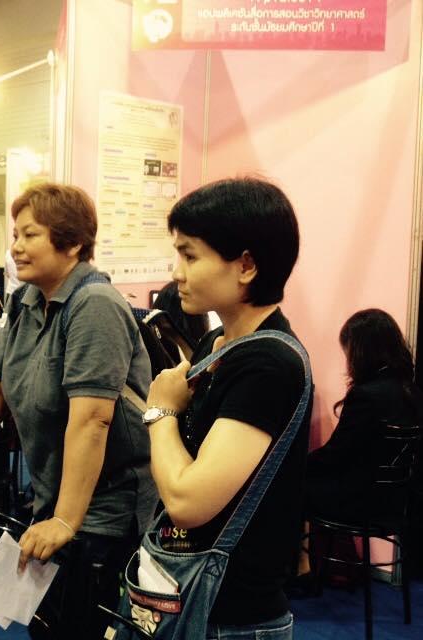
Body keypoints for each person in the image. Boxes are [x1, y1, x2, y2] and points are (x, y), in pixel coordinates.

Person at [0, 183, 158, 638]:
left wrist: (65, 520)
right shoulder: (24, 300)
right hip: (54, 496)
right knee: (47, 626)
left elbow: (93, 420)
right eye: (15, 235)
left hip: (105, 506)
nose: (15, 247)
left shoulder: (95, 305)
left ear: (72, 243)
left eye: (30, 235)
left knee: (77, 627)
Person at [144, 177, 309, 638]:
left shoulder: (268, 364)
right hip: (196, 593)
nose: (177, 272)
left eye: (190, 256)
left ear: (246, 266)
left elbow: (188, 501)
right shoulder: (219, 342)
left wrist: (160, 412)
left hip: (232, 615)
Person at [297, 309, 423, 579]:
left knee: (289, 486)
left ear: (362, 350)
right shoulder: (411, 391)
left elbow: (336, 455)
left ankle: (298, 567)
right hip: (396, 504)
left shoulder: (366, 396)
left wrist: (298, 464)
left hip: (359, 504)